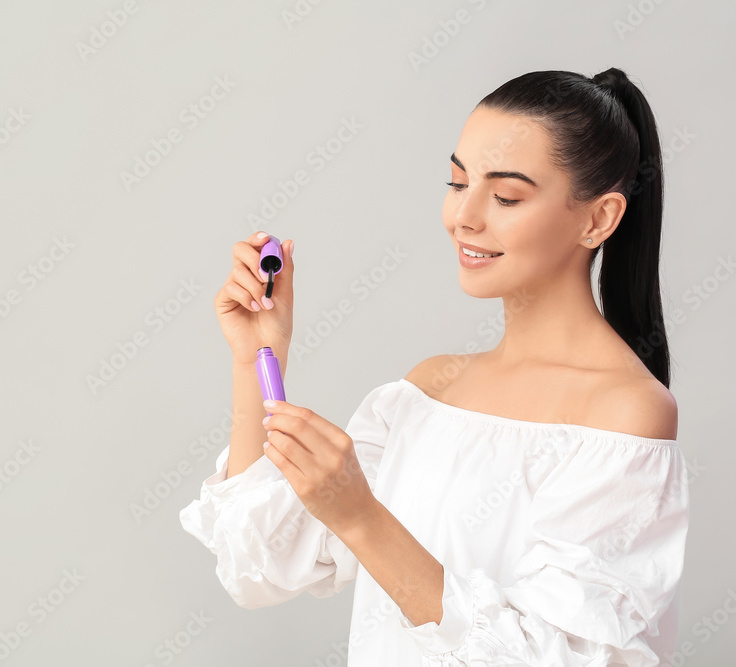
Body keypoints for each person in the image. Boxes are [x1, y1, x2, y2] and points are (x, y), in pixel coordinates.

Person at [179, 67, 689, 666]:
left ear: (598, 219)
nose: (464, 217)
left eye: (506, 196)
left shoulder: (626, 414)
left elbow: (553, 656)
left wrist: (364, 518)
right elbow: (259, 567)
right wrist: (257, 358)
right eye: (456, 182)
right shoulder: (425, 393)